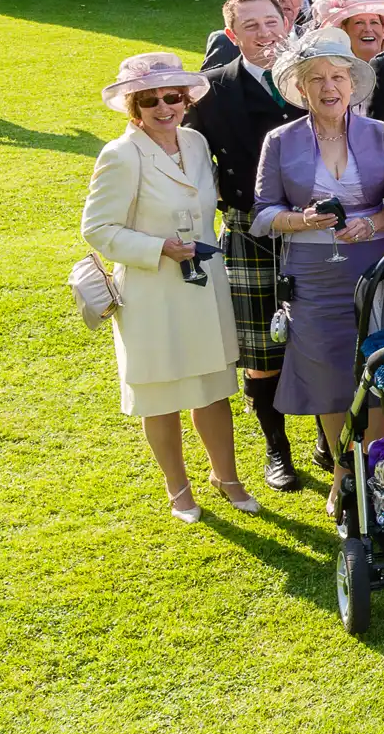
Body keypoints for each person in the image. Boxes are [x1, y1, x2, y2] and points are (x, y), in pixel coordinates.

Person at [83, 53, 255, 522]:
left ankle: (227, 476)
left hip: (202, 286)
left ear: (185, 99)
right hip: (151, 293)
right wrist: (160, 247)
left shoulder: (196, 142)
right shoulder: (119, 155)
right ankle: (178, 488)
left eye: (173, 97)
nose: (164, 107)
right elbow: (98, 229)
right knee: (161, 394)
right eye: (151, 99)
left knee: (212, 388)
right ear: (132, 106)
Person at [252, 30, 384, 511]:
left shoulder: (382, 135)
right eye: (316, 78)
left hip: (372, 267)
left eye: (337, 76)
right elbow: (262, 213)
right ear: (301, 87)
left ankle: (374, 470)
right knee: (329, 373)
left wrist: (373, 222)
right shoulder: (280, 140)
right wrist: (301, 220)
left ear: (352, 84)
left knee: (373, 366)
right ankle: (344, 472)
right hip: (312, 274)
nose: (328, 86)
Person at [184, 0, 303, 489]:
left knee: (320, 336)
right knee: (259, 349)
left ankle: (326, 433)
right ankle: (277, 449)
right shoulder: (210, 91)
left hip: (314, 228)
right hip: (247, 228)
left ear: (288, 22)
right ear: (232, 36)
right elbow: (187, 161)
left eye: (271, 22)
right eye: (250, 26)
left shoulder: (311, 79)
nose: (264, 34)